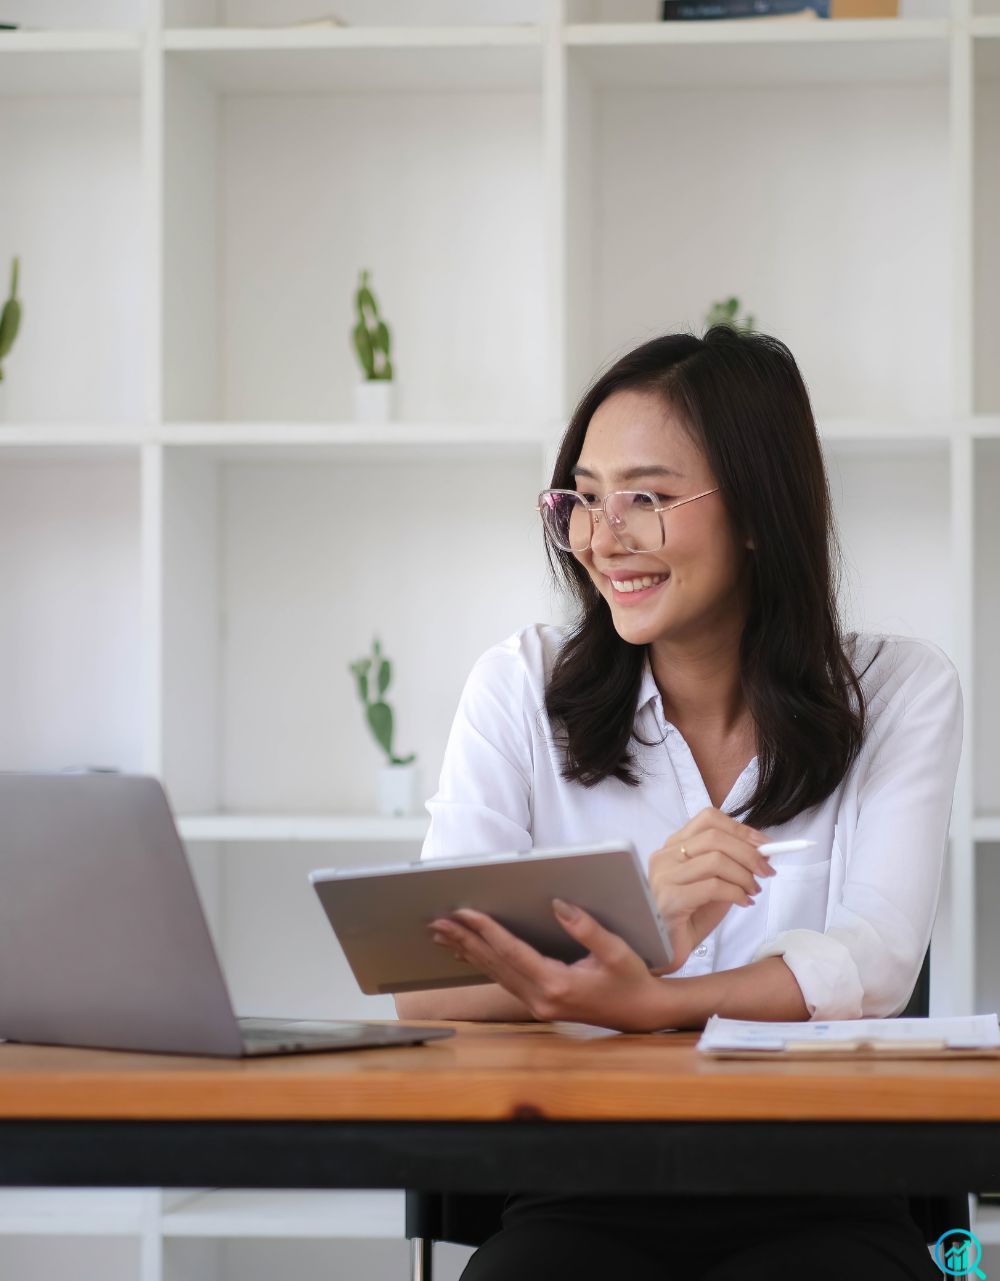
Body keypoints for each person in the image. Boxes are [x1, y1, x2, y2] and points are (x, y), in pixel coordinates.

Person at [394, 326, 962, 1280]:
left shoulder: (898, 691)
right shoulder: (521, 687)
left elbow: (876, 963)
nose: (602, 536)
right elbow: (425, 973)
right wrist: (634, 925)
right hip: (583, 1188)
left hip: (825, 1189)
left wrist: (651, 999)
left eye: (647, 498)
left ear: (755, 512)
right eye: (583, 496)